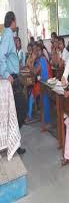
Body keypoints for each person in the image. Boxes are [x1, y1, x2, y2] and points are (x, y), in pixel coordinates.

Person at [0, 11, 26, 154]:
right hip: (12, 79)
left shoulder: (6, 34)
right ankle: (12, 141)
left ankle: (14, 143)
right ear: (13, 21)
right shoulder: (8, 34)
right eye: (16, 20)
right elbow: (1, 54)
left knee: (15, 112)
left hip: (14, 76)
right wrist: (6, 74)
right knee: (21, 111)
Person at [26, 42, 52, 128]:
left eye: (37, 51)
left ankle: (30, 116)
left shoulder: (41, 60)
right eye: (35, 51)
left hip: (44, 84)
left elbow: (34, 72)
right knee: (31, 92)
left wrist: (33, 59)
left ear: (41, 51)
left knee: (31, 94)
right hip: (44, 83)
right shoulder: (41, 59)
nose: (36, 52)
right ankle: (43, 119)